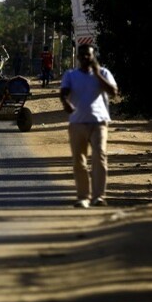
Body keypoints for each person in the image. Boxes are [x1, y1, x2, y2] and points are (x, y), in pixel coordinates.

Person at [59, 44, 118, 208]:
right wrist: (66, 103)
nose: (86, 58)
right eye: (83, 55)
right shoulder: (71, 75)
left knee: (99, 157)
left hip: (99, 122)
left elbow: (113, 92)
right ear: (78, 57)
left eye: (89, 55)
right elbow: (63, 92)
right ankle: (83, 197)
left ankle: (99, 196)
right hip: (77, 123)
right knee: (79, 161)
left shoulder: (104, 73)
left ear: (94, 57)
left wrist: (98, 74)